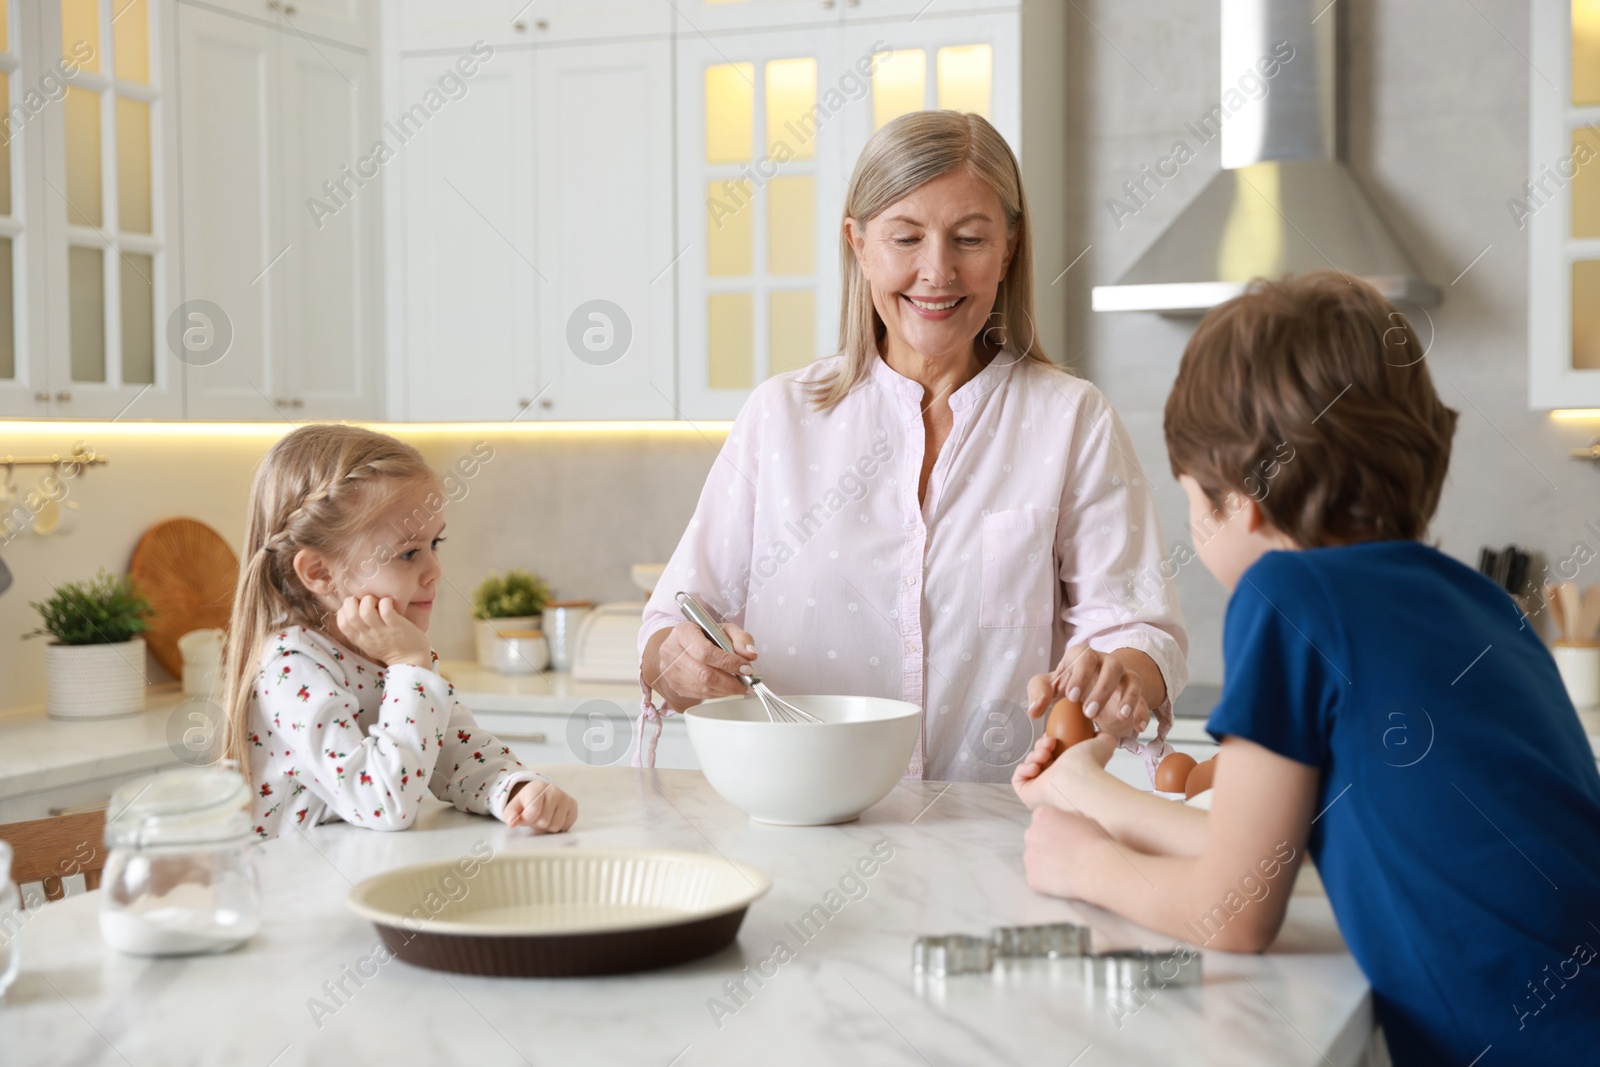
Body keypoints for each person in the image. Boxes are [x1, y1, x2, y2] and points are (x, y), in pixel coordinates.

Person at [1013, 271, 1600, 1063]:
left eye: (1190, 495)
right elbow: (1253, 849)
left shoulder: (1289, 595)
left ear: (1241, 499)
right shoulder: (1479, 603)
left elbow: (1235, 909)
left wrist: (1081, 863)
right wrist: (1085, 790)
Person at [636, 110, 1187, 782]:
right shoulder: (778, 418)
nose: (937, 271)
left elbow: (1139, 628)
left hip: (999, 851)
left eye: (970, 238)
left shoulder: (1072, 421)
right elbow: (670, 625)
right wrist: (682, 659)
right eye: (906, 237)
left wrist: (1121, 675)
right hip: (800, 836)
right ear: (858, 243)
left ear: (1009, 247)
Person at [218, 424, 577, 838]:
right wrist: (410, 667)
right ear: (319, 573)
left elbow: (454, 751)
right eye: (408, 553)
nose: (435, 571)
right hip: (295, 894)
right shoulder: (291, 665)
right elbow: (383, 804)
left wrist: (514, 788)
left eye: (434, 544)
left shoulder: (391, 649)